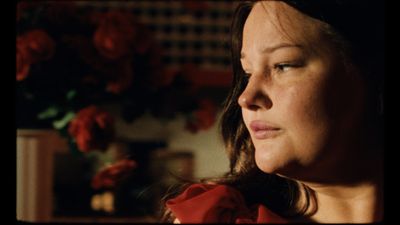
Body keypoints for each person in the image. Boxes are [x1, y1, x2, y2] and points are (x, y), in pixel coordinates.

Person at [160, 0, 384, 223]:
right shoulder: (213, 216)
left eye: (283, 65)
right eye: (247, 73)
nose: (246, 97)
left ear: (368, 74)